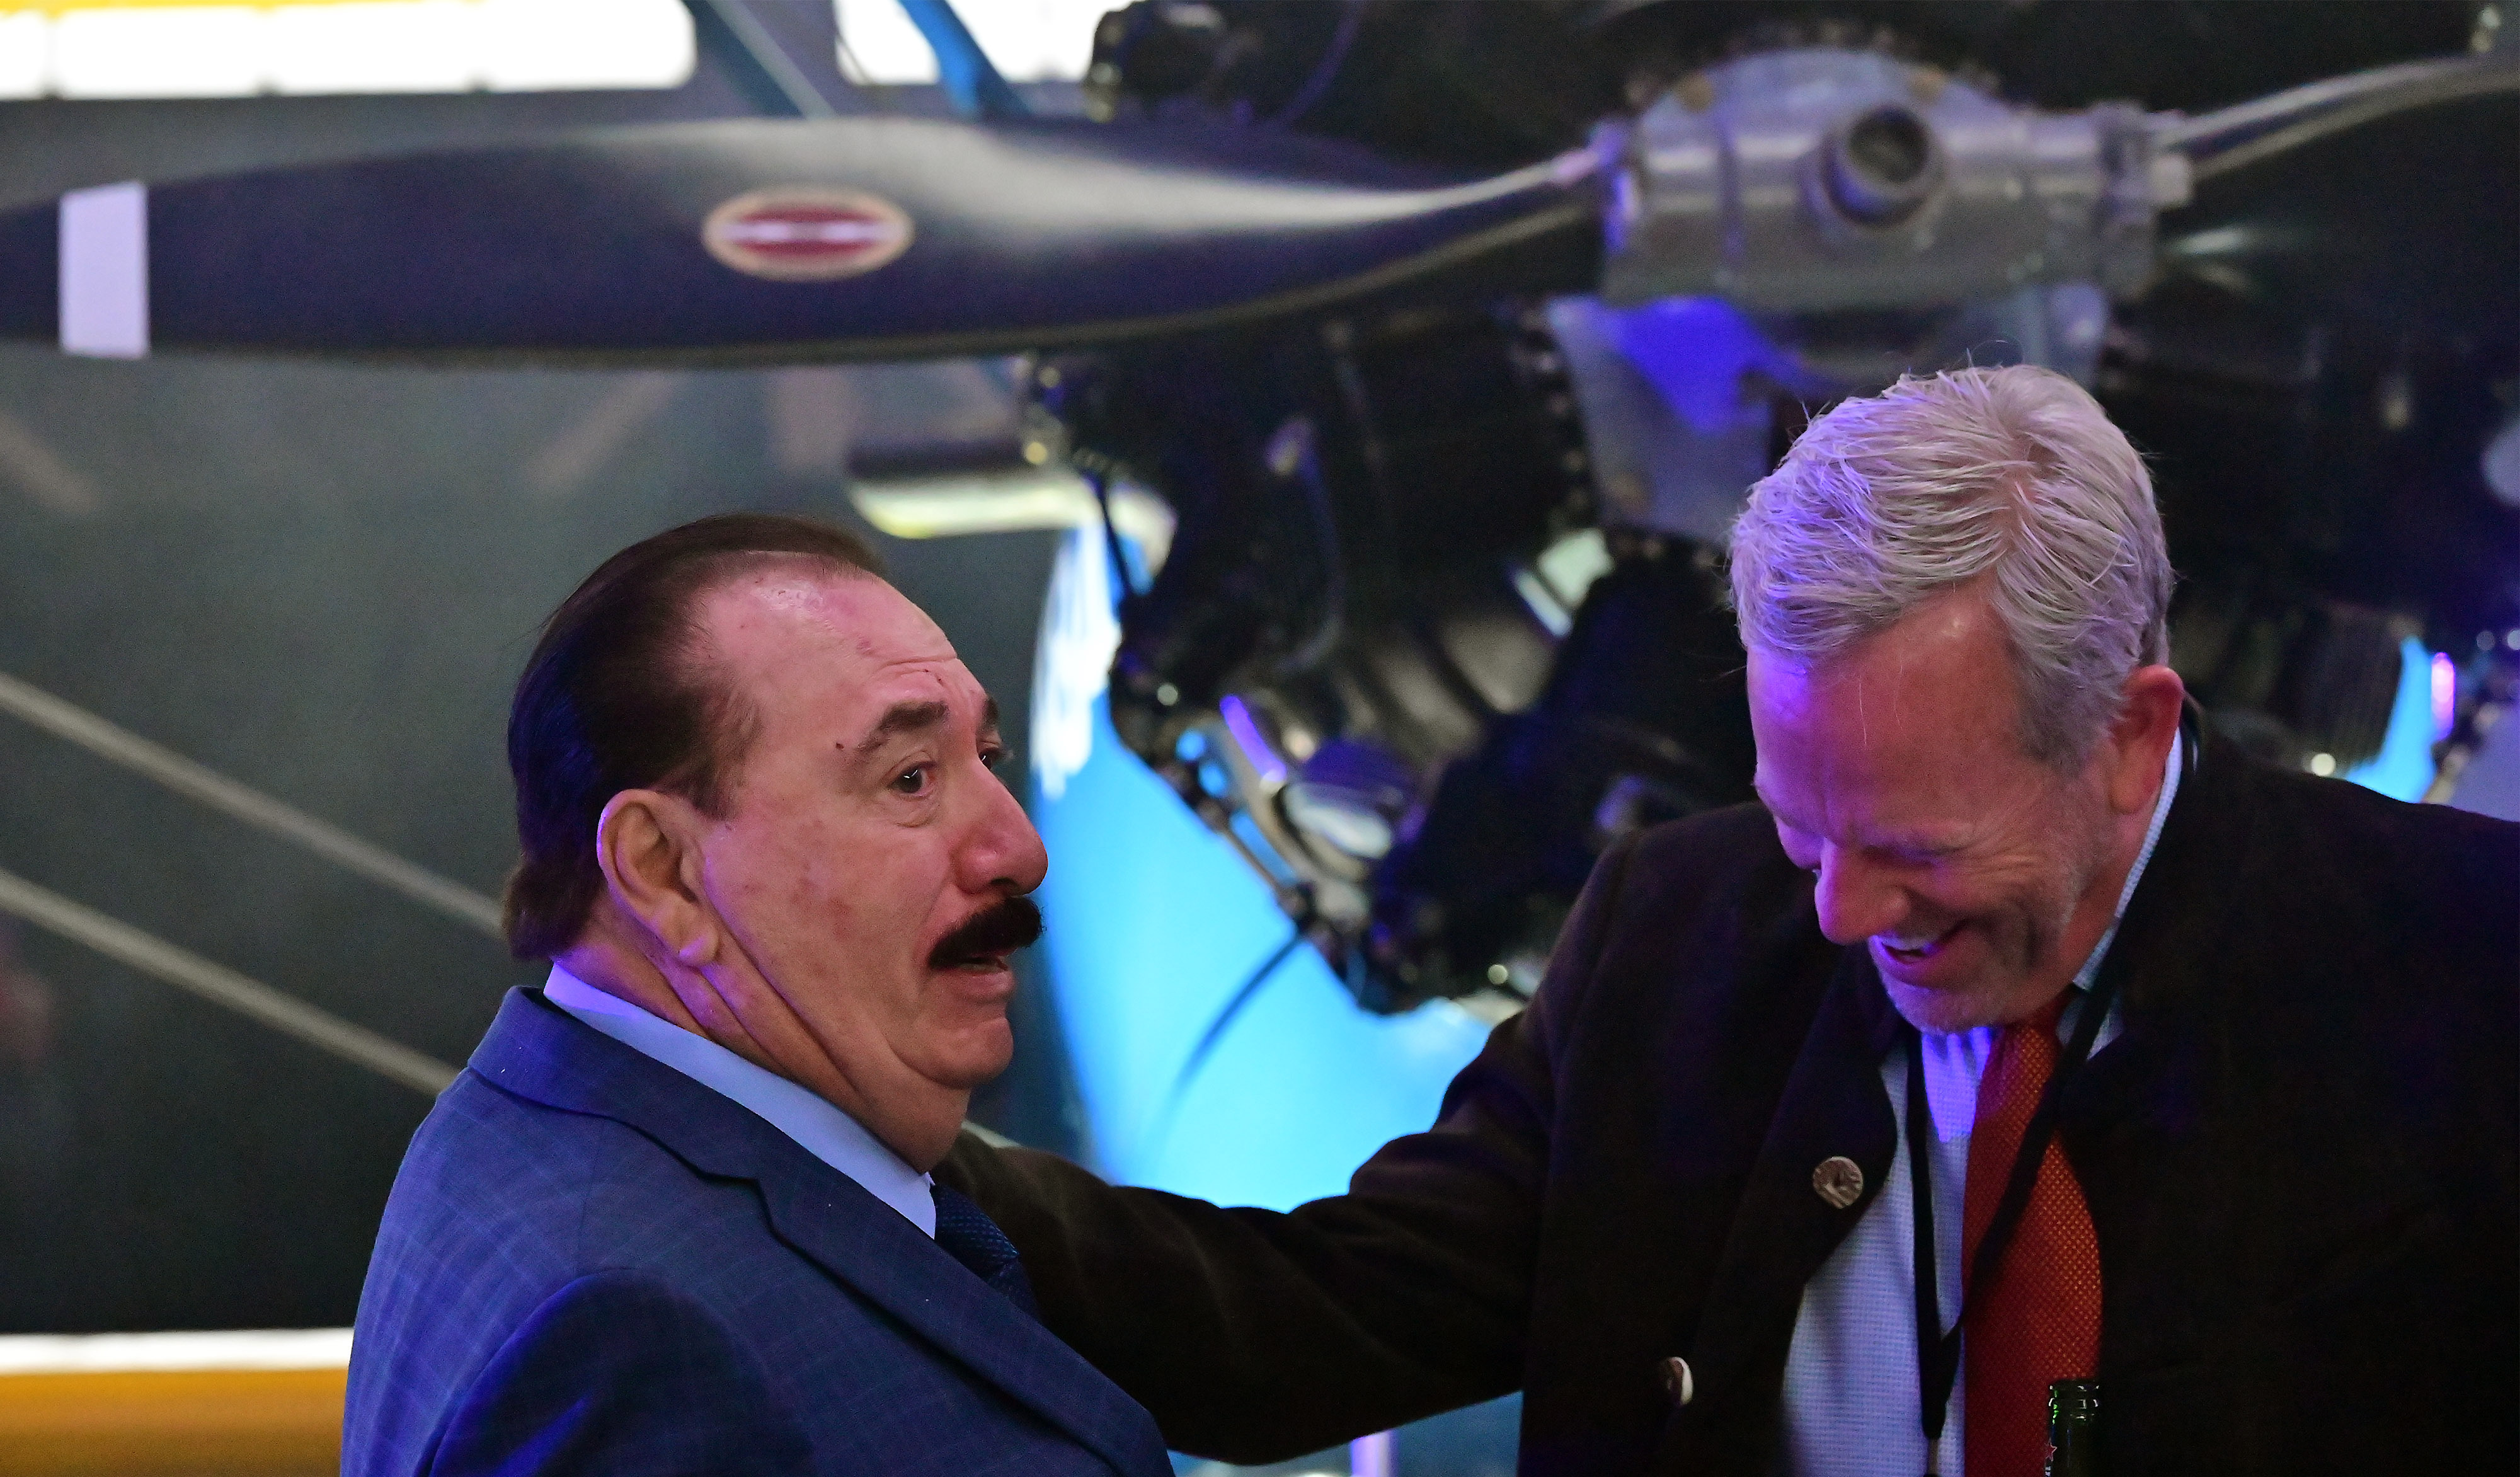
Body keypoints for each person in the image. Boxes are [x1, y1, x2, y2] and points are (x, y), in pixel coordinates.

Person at [940, 366, 2519, 1476]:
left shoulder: (2465, 961)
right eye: (1796, 822)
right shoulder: (1673, 925)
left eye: (1911, 844)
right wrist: (883, 1144)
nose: (1837, 908)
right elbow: (1310, 1322)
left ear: (2127, 731)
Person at [343, 514, 1169, 1477]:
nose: (1019, 851)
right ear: (663, 871)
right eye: (910, 778)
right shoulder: (623, 1333)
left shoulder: (558, 1144)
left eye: (987, 759)